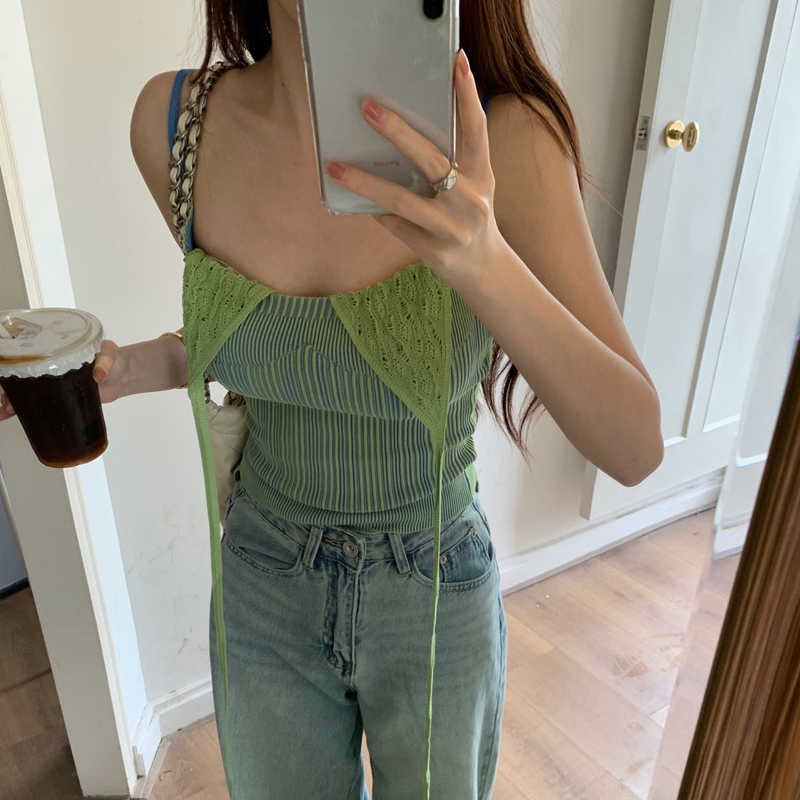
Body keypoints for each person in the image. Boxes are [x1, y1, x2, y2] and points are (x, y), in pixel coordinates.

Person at [0, 0, 664, 797]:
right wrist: (125, 370)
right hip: (261, 579)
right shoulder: (175, 127)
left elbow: (634, 445)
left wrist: (486, 260)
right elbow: (275, 342)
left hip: (433, 589)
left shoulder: (502, 135)